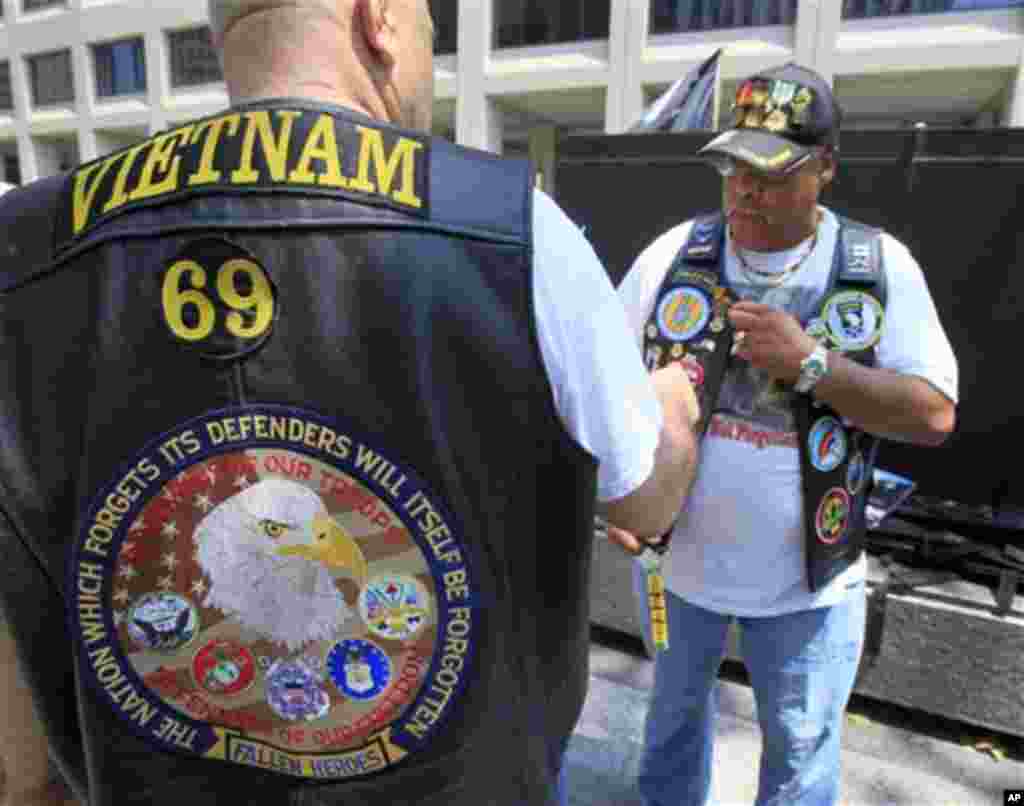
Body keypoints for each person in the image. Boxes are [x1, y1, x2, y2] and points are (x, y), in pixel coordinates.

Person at [0, 1, 700, 805]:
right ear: (380, 19)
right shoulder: (513, 230)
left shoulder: (25, 250)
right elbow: (645, 498)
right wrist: (671, 405)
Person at [612, 62, 958, 806]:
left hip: (812, 585)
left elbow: (934, 413)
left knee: (801, 750)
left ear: (825, 169)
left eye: (769, 172)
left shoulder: (874, 266)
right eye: (733, 167)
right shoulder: (674, 253)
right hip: (679, 573)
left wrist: (814, 367)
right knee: (669, 731)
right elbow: (602, 390)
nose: (744, 188)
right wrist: (614, 499)